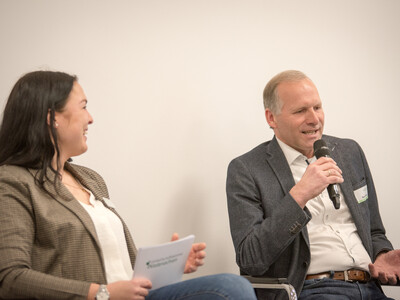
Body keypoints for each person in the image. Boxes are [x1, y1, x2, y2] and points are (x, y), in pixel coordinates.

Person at [0, 70, 257, 300]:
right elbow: (10, 278)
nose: (90, 118)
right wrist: (100, 293)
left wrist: (169, 264)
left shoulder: (90, 179)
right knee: (229, 288)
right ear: (52, 118)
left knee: (230, 288)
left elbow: (117, 267)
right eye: (83, 107)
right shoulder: (13, 182)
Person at [226, 70, 400, 300]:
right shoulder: (246, 169)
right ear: (271, 118)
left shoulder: (350, 152)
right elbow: (251, 258)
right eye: (300, 111)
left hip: (370, 286)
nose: (314, 119)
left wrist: (382, 254)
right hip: (313, 290)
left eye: (317, 107)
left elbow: (374, 231)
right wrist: (299, 195)